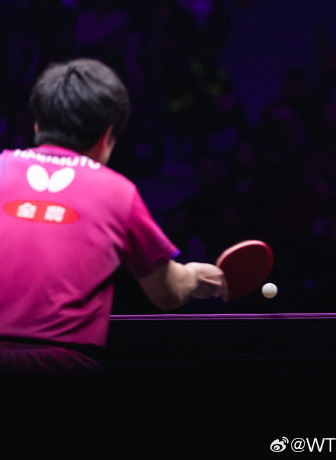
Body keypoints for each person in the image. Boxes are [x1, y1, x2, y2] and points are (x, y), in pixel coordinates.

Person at [0, 58, 229, 375]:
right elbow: (167, 293)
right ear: (107, 136)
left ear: (37, 125)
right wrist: (194, 276)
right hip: (61, 369)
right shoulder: (117, 192)